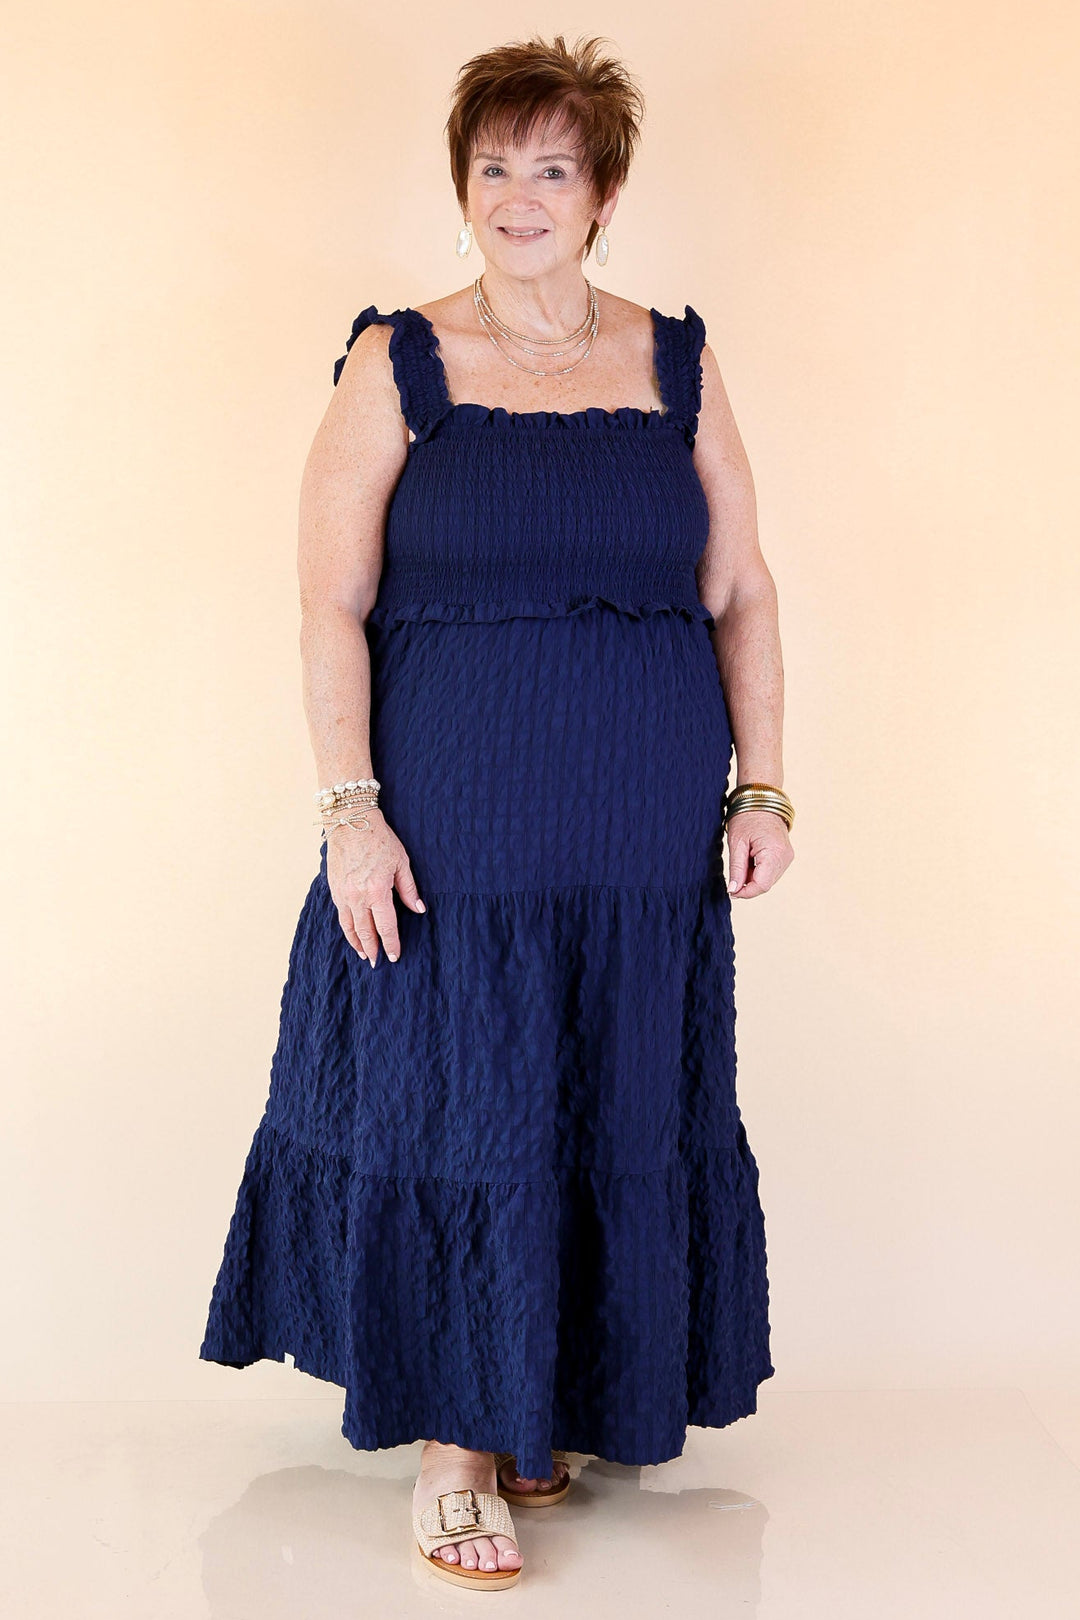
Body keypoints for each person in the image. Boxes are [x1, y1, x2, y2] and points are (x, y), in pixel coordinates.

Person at [199, 31, 794, 1592]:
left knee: (605, 1094)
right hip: (458, 821)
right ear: (462, 186)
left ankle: (545, 1404)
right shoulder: (396, 363)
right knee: (467, 1103)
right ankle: (456, 1449)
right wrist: (351, 811)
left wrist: (763, 781)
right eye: (493, 167)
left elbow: (740, 588)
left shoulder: (678, 361)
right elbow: (328, 604)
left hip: (641, 832)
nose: (520, 195)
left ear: (604, 195)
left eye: (553, 168)